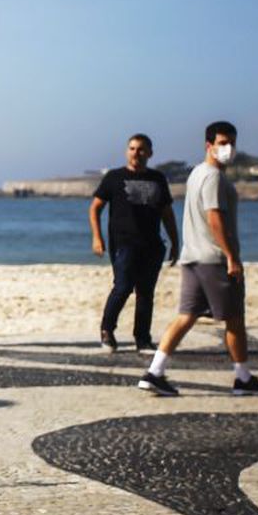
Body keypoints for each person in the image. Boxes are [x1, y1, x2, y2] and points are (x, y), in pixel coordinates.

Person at [137, 121, 258, 397]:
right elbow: (215, 218)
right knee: (235, 319)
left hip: (193, 257)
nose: (229, 149)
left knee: (186, 316)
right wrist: (232, 257)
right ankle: (243, 378)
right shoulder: (213, 176)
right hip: (213, 260)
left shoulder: (196, 173)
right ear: (208, 145)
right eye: (223, 143)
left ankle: (154, 372)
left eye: (232, 143)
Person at [88, 134, 179, 354]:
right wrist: (97, 237)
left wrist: (176, 243)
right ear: (126, 151)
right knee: (122, 287)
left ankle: (143, 339)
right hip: (124, 244)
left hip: (152, 244)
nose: (135, 153)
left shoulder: (158, 178)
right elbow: (95, 208)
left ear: (149, 153)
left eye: (140, 149)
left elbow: (167, 213)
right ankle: (107, 331)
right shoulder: (114, 177)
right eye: (131, 148)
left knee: (146, 293)